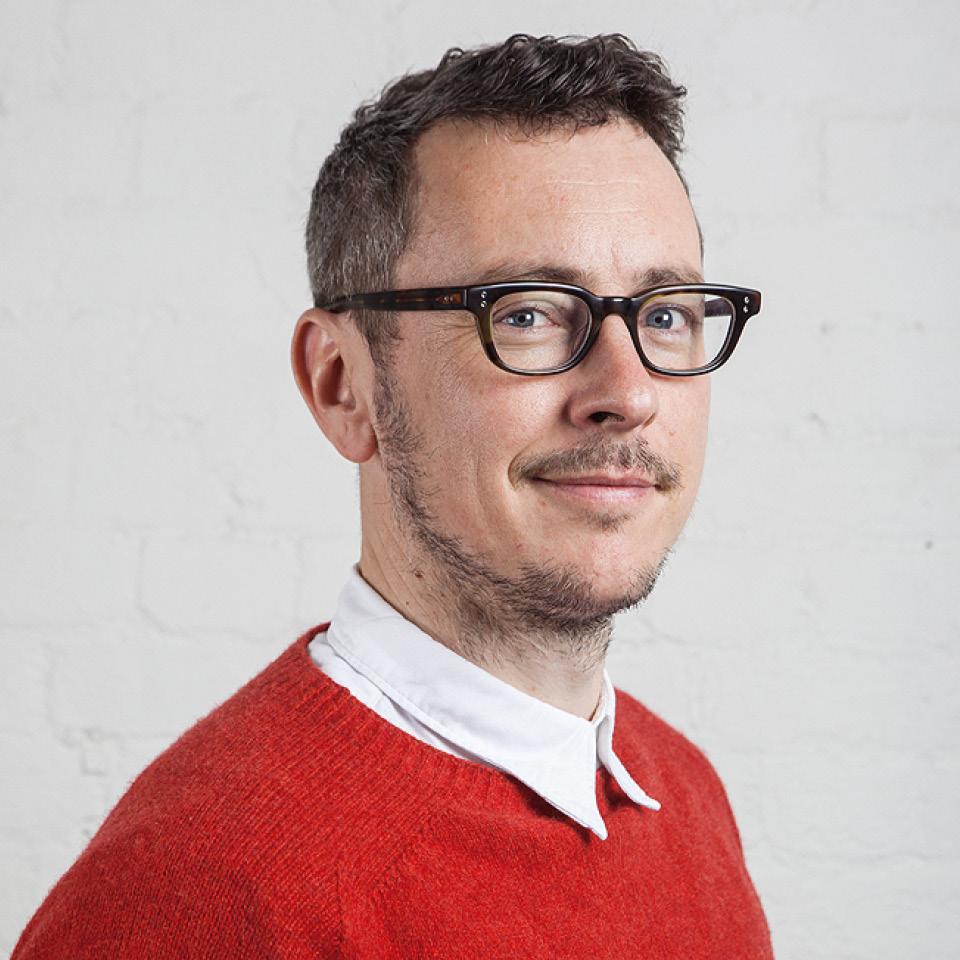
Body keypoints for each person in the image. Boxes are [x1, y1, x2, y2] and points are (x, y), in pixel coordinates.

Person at [12, 33, 772, 958]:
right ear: (343, 385)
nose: (629, 392)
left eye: (667, 314)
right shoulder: (195, 892)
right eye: (527, 313)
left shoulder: (687, 796)